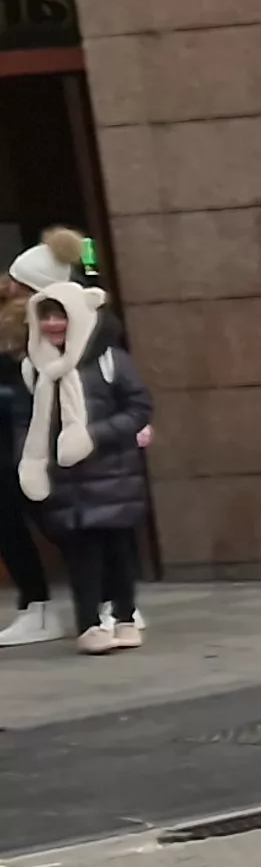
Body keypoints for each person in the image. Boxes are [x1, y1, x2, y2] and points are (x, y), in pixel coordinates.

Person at [19, 278, 148, 654]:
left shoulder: (111, 361)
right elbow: (25, 422)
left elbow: (139, 409)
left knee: (119, 552)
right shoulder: (35, 368)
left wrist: (93, 437)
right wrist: (29, 461)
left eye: (60, 316)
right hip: (65, 480)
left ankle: (125, 618)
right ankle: (89, 625)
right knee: (81, 556)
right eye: (44, 317)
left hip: (112, 475)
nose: (53, 325)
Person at [0, 235, 83, 647]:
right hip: (14, 438)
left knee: (61, 523)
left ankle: (107, 601)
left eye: (17, 280)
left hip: (38, 439)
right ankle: (37, 607)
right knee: (12, 523)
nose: (9, 285)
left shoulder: (53, 325)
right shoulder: (11, 322)